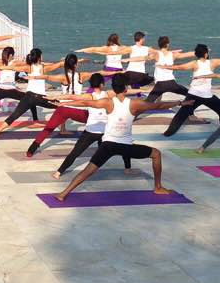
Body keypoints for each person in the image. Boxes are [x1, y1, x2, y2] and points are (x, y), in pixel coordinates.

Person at [54, 73, 182, 200]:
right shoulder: (134, 103)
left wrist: (63, 104)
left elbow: (86, 103)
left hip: (107, 145)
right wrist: (179, 102)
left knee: (87, 171)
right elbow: (158, 105)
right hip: (125, 147)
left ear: (114, 88)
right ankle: (158, 187)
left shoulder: (107, 102)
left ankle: (63, 194)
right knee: (156, 154)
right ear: (126, 88)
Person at [38, 73, 135, 174]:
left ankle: (59, 172)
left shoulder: (89, 96)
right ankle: (127, 169)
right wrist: (141, 90)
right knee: (124, 144)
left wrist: (56, 98)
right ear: (102, 84)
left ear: (91, 84)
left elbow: (72, 96)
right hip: (106, 132)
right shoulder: (108, 94)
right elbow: (125, 91)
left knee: (75, 152)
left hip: (90, 132)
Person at [22, 54, 97, 150]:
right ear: (76, 65)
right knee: (98, 123)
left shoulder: (62, 77)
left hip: (63, 108)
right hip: (78, 108)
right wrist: (118, 72)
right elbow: (99, 73)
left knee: (47, 129)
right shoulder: (82, 76)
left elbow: (47, 77)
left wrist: (32, 78)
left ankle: (32, 148)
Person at [161, 44, 220, 137]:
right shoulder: (212, 62)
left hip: (194, 95)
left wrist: (165, 67)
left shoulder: (194, 63)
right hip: (206, 96)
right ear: (206, 54)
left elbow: (179, 67)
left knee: (181, 115)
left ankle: (168, 133)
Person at [0, 49, 64, 136]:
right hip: (40, 97)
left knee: (14, 115)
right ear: (39, 57)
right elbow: (59, 65)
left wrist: (0, 67)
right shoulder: (44, 68)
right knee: (61, 106)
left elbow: (11, 68)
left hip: (28, 96)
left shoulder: (29, 67)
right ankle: (62, 129)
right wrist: (62, 61)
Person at [142, 36, 195, 103]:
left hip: (160, 85)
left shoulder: (156, 54)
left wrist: (129, 59)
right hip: (171, 84)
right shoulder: (173, 54)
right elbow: (187, 54)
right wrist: (200, 51)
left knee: (147, 102)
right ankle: (189, 112)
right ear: (167, 44)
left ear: (159, 45)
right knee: (189, 95)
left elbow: (143, 58)